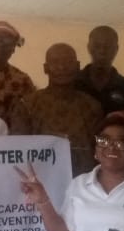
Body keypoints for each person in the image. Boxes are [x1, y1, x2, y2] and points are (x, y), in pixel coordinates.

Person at [11, 43, 102, 176]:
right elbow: (17, 150)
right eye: (55, 62)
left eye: (68, 62)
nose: (62, 67)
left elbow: (100, 151)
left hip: (82, 182)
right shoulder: (27, 105)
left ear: (77, 66)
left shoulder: (92, 106)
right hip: (40, 180)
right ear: (45, 68)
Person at [0, 21, 36, 125]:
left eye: (7, 42)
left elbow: (29, 116)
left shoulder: (23, 80)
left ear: (13, 49)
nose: (0, 45)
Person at [75, 26, 124, 114]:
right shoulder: (73, 83)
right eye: (97, 46)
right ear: (89, 47)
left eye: (108, 46)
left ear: (116, 49)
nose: (102, 51)